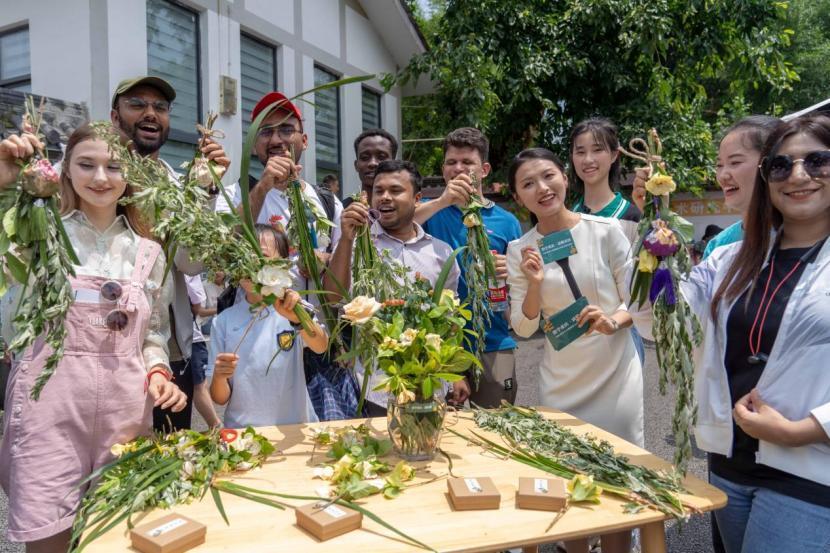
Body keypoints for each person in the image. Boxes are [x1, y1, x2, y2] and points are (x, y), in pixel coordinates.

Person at [634, 116, 830, 553]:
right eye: (782, 166)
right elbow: (661, 319)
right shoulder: (729, 257)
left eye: (818, 161)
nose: (799, 175)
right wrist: (652, 242)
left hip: (812, 470)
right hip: (730, 463)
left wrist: (808, 429)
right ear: (768, 178)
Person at [0, 124, 187, 551]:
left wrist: (159, 372)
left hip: (125, 410)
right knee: (48, 536)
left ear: (130, 175)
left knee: (118, 533)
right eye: (86, 164)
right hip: (50, 405)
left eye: (114, 166)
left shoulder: (150, 251)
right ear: (66, 170)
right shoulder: (36, 235)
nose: (101, 177)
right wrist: (6, 186)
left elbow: (153, 332)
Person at [506, 147, 642, 553]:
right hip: (561, 382)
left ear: (565, 177)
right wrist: (533, 284)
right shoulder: (520, 249)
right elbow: (524, 324)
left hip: (615, 373)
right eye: (528, 184)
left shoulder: (605, 231)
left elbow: (637, 300)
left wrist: (613, 321)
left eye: (548, 176)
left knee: (619, 487)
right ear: (518, 197)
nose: (542, 189)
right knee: (571, 489)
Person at [110, 75, 231, 431]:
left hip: (168, 350)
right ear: (114, 117)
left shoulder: (177, 183)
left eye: (160, 107)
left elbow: (189, 261)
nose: (150, 113)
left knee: (167, 468)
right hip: (108, 351)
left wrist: (205, 190)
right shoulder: (94, 179)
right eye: (137, 104)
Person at [324, 159, 462, 415]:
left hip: (427, 385)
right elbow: (333, 298)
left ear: (417, 198)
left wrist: (455, 374)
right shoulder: (358, 247)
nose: (385, 197)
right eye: (378, 191)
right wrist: (345, 238)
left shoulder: (441, 253)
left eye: (396, 191)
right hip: (374, 388)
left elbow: (449, 321)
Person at [414, 128, 522, 407]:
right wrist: (443, 201)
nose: (458, 168)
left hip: (494, 342)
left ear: (484, 169)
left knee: (498, 429)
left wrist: (511, 272)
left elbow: (520, 283)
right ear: (443, 169)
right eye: (451, 162)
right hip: (438, 343)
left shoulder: (507, 221)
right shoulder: (429, 209)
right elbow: (396, 225)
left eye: (467, 162)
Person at [207, 225, 326, 427]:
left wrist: (299, 319)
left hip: (294, 428)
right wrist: (219, 376)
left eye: (260, 256)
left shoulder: (294, 308)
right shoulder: (224, 321)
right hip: (243, 433)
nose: (251, 266)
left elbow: (321, 345)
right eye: (243, 258)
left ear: (283, 266)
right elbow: (219, 398)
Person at [568, 117, 646, 363]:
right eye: (580, 152)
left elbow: (640, 291)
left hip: (620, 338)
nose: (588, 160)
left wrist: (613, 322)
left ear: (614, 155)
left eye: (598, 150)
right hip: (575, 342)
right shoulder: (567, 217)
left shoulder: (633, 218)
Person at [185, 274, 221, 428]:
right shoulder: (190, 273)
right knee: (199, 385)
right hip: (190, 336)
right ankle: (216, 426)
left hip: (181, 336)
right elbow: (198, 308)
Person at [343, 128, 398, 208]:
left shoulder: (408, 211)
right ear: (356, 165)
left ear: (394, 164)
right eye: (365, 157)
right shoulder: (340, 212)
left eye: (381, 157)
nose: (373, 163)